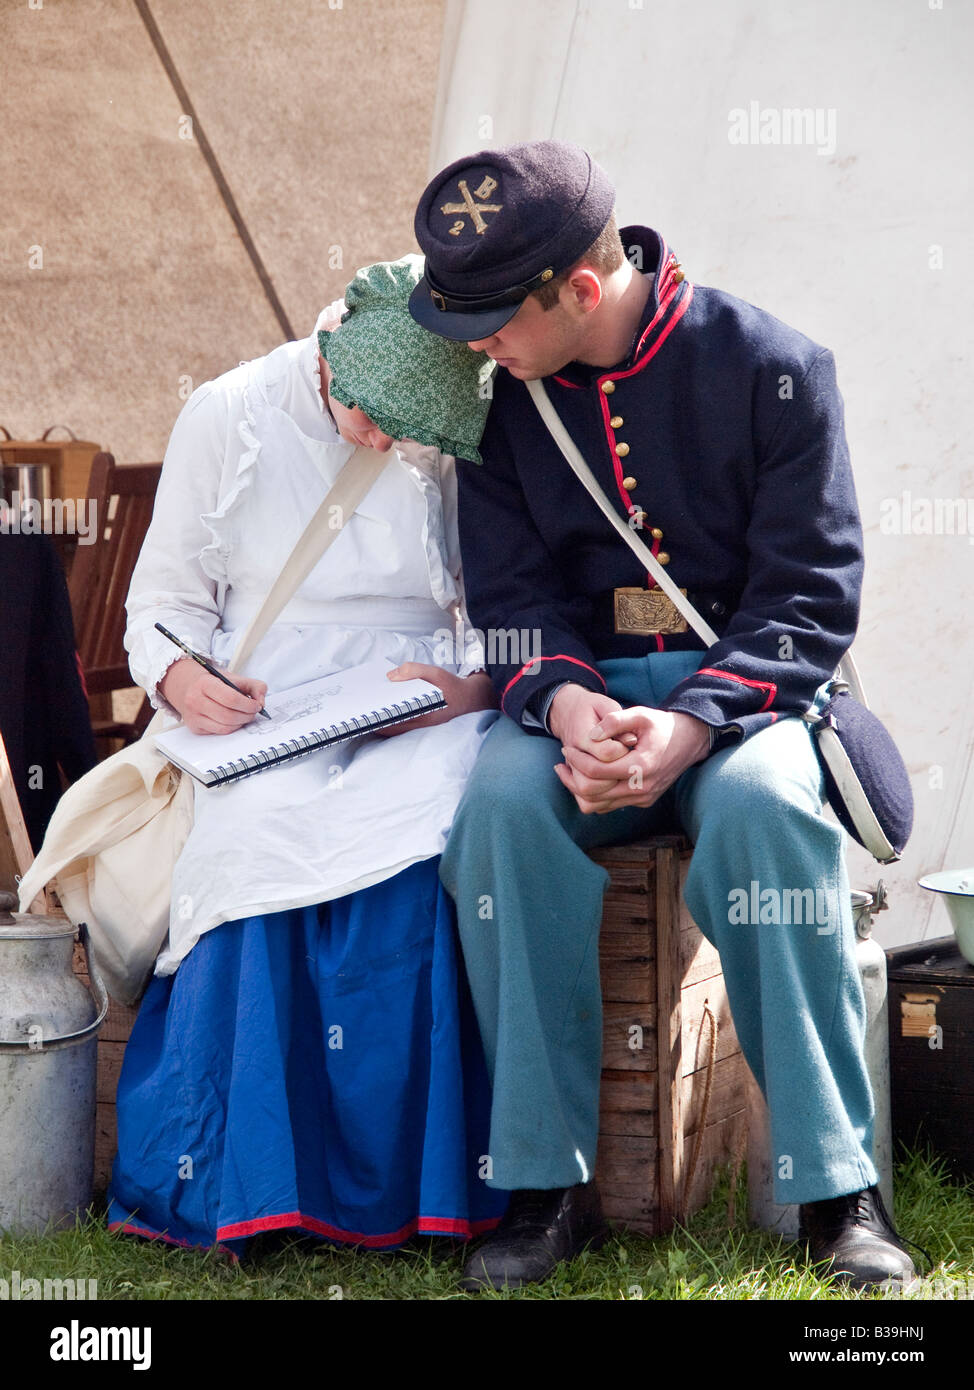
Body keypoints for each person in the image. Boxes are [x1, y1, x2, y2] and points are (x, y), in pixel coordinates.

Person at [408, 140, 915, 1291]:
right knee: (496, 805)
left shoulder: (774, 367)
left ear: (577, 290)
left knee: (764, 811)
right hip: (585, 694)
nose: (479, 346)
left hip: (743, 701)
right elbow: (514, 601)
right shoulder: (504, 410)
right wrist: (569, 699)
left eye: (493, 321)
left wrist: (690, 725)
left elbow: (808, 599)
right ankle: (543, 1184)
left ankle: (839, 1188)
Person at [107, 256, 508, 1255]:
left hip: (421, 694)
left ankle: (402, 1192)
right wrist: (177, 679)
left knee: (422, 840)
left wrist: (464, 686)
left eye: (398, 424)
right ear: (329, 357)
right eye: (367, 412)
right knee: (249, 837)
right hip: (255, 694)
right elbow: (159, 606)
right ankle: (255, 1185)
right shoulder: (226, 413)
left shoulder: (461, 423)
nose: (380, 438)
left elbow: (505, 611)